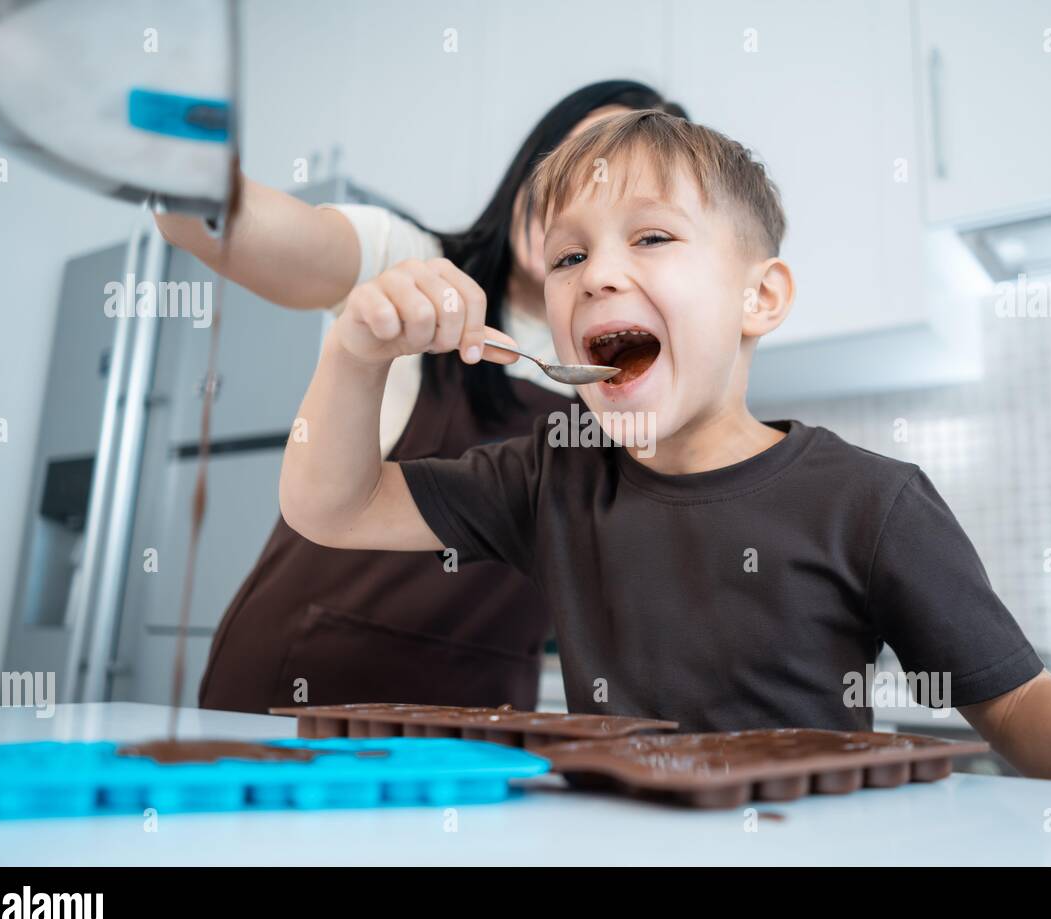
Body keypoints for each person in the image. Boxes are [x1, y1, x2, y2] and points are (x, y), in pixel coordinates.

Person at [279, 109, 1051, 810]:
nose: (597, 274)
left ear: (760, 298)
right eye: (567, 259)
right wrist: (351, 353)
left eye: (650, 236)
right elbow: (335, 506)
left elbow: (1021, 708)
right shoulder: (552, 471)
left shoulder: (871, 503)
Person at [154, 82, 687, 713]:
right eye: (571, 165)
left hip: (484, 719)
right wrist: (183, 176)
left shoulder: (642, 373)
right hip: (301, 692)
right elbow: (224, 227)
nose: (580, 199)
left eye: (623, 193)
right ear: (528, 169)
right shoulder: (409, 262)